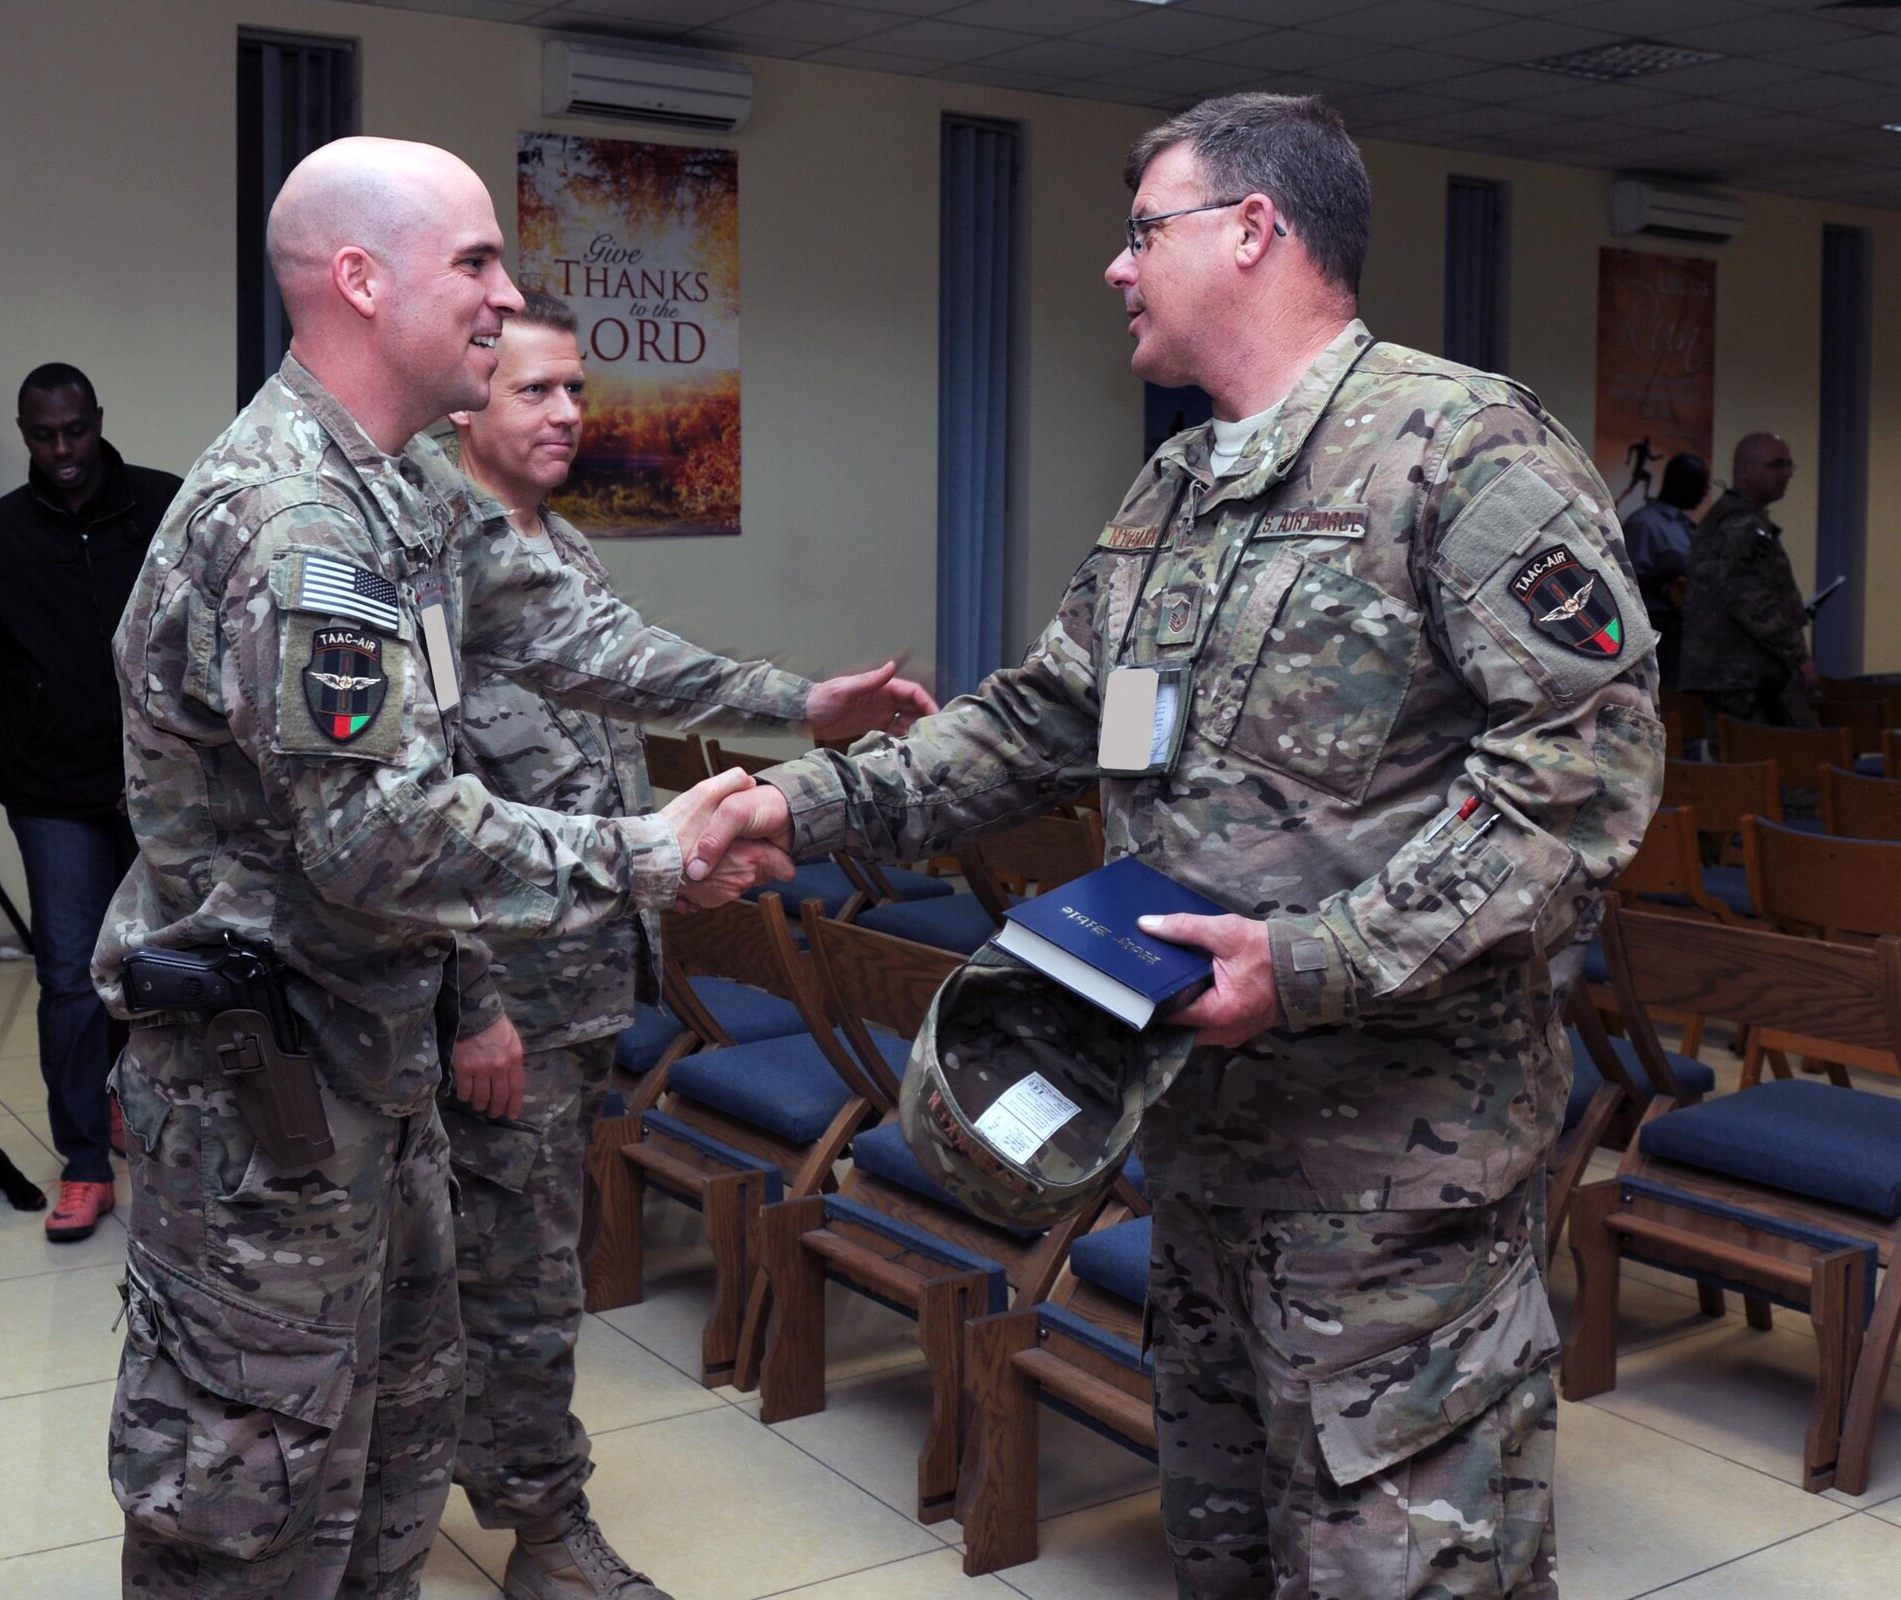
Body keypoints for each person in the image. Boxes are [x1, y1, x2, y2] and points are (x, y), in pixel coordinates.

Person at [694, 94, 1661, 1598]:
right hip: (1198, 1141)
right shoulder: (1176, 491)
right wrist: (797, 806)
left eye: (1144, 229)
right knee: (1224, 1542)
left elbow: (1583, 776)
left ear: (1254, 231)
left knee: (1405, 1569)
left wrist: (1317, 963)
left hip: (1394, 1183)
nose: (1116, 267)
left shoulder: (1462, 451)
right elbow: (1038, 719)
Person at [88, 135, 870, 1600]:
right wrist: (648, 853)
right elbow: (377, 835)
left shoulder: (402, 497)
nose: (507, 300)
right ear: (362, 281)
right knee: (249, 1503)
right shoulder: (296, 522)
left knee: (389, 1467)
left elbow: (573, 638)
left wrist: (789, 704)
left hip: (375, 1077)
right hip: (268, 1108)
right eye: (477, 265)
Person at [442, 292, 934, 1600]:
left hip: (590, 970)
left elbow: (614, 731)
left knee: (516, 1261)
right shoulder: (440, 558)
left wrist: (690, 869)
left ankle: (479, 1484)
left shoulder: (558, 546)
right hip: (503, 1001)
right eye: (534, 391)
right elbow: (417, 816)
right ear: (464, 401)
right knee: (518, 1281)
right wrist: (470, 1004)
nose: (564, 415)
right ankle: (546, 1534)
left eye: (575, 392)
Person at [0, 363, 179, 1241]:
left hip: (157, 784)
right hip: (50, 789)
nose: (61, 451)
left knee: (150, 972)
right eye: (43, 435)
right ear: (28, 433)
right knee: (70, 975)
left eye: (73, 431)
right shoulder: (3, 532)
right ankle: (82, 1161)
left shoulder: (163, 506)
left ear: (97, 420)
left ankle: (126, 1106)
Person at [1679, 432, 1818, 729]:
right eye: (1776, 465)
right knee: (1760, 767)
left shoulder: (1731, 518)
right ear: (1744, 469)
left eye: (1788, 465)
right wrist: (1798, 657)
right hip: (1743, 678)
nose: (1786, 474)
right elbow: (1752, 602)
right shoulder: (1740, 525)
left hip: (1735, 674)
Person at [1620, 450, 1709, 684]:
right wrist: (1671, 570)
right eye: (1700, 485)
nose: (1705, 492)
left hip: (1687, 634)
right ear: (1680, 483)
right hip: (1658, 635)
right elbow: (1626, 584)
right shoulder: (1645, 523)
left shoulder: (1687, 526)